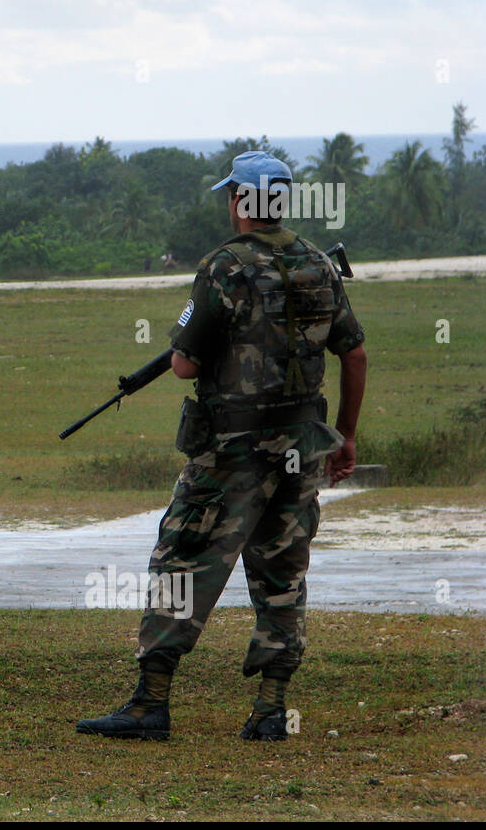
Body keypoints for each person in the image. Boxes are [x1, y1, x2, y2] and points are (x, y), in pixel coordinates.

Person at [77, 150, 368, 742]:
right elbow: (354, 354)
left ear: (241, 201)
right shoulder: (319, 263)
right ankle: (270, 709)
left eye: (233, 194)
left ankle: (150, 703)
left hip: (231, 450)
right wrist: (347, 435)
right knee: (282, 573)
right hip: (301, 448)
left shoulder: (223, 266)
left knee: (182, 560)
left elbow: (185, 365)